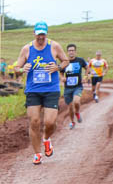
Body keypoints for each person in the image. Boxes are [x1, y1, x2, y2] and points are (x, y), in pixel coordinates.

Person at [12, 21, 70, 165]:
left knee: (50, 122)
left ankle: (46, 139)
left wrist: (57, 67)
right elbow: (16, 67)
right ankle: (37, 154)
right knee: (34, 121)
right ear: (34, 33)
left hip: (51, 89)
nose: (41, 37)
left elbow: (65, 61)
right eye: (38, 34)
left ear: (46, 34)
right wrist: (22, 69)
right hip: (33, 90)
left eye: (43, 34)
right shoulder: (26, 49)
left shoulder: (54, 46)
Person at [62, 44, 88, 129]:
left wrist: (85, 77)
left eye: (73, 50)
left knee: (76, 101)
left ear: (75, 51)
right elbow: (61, 71)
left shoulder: (80, 60)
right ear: (67, 52)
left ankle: (77, 112)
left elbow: (87, 68)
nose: (71, 52)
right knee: (70, 107)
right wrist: (62, 77)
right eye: (69, 50)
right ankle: (72, 122)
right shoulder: (65, 62)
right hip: (68, 88)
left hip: (78, 86)